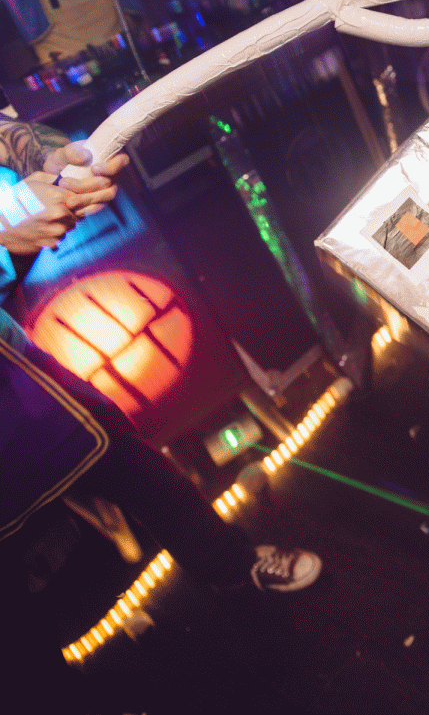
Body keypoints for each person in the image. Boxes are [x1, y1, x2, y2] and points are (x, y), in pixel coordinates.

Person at [0, 117, 322, 711]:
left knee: (135, 466)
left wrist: (53, 162)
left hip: (17, 382)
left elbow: (9, 137)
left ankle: (235, 567)